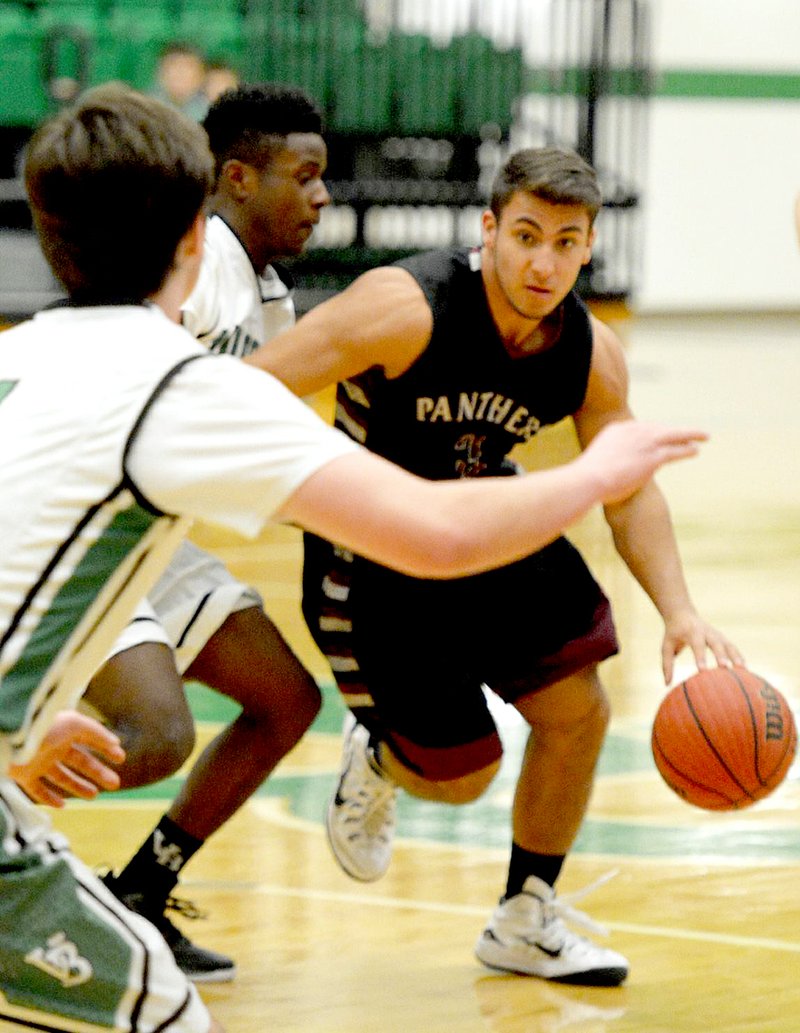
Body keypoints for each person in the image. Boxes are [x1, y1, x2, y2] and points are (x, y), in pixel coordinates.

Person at [1, 84, 705, 1031]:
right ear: (191, 238)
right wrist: (599, 473)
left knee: (532, 700)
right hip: (403, 547)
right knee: (163, 1015)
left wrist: (21, 724)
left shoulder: (28, 352)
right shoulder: (194, 388)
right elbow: (438, 533)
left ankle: (519, 903)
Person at [246, 146, 744, 987]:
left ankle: (525, 916)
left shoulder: (590, 354)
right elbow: (254, 387)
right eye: (524, 236)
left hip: (487, 522)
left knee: (579, 710)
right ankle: (376, 752)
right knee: (461, 776)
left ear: (588, 247)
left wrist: (680, 610)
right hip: (375, 549)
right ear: (488, 231)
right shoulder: (406, 308)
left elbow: (627, 492)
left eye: (564, 242)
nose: (543, 262)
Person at [12, 82, 331, 984]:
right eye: (303, 177)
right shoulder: (183, 279)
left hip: (159, 536)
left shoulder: (267, 294)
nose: (321, 198)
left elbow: (280, 459)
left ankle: (144, 889)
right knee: (153, 732)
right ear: (234, 180)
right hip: (94, 520)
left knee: (285, 699)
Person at [150, 42, 209, 122]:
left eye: (188, 66)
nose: (180, 73)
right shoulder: (146, 110)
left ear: (201, 76)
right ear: (160, 73)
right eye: (173, 65)